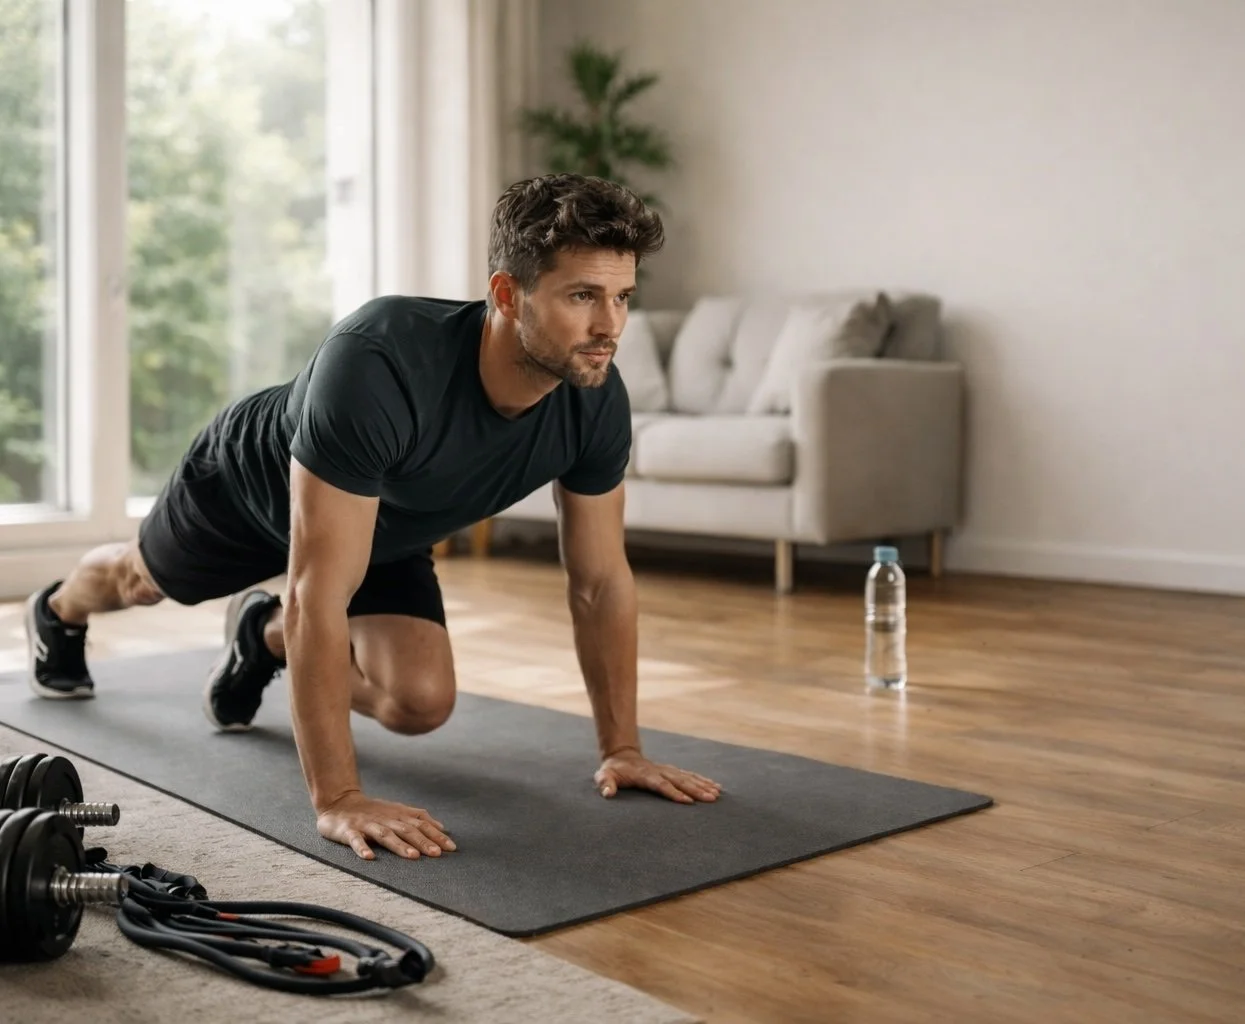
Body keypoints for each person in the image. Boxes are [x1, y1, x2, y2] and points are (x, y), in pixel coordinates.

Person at [21, 173, 722, 863]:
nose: (609, 326)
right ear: (508, 295)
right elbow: (316, 593)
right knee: (141, 580)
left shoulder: (593, 398)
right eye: (582, 296)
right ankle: (57, 611)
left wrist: (622, 749)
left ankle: (260, 637)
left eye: (622, 297)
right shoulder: (379, 359)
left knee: (419, 702)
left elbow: (599, 582)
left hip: (386, 526)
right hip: (244, 489)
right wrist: (338, 798)